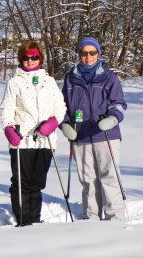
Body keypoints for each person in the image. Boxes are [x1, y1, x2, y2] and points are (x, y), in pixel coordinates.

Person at [0, 41, 66, 226]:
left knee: (37, 183)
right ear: (21, 59)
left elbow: (60, 107)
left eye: (34, 57)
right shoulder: (15, 82)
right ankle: (23, 220)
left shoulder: (49, 81)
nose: (30, 60)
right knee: (21, 182)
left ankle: (34, 221)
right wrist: (9, 129)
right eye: (26, 57)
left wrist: (52, 123)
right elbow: (6, 108)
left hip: (45, 140)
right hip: (22, 139)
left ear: (40, 58)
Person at [61, 37, 127, 221]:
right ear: (79, 54)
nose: (88, 57)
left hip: (105, 135)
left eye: (92, 52)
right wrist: (65, 124)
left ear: (98, 54)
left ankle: (115, 217)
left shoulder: (108, 76)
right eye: (84, 53)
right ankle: (91, 217)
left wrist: (113, 118)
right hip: (80, 136)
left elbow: (119, 103)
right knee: (87, 180)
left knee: (109, 177)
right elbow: (61, 107)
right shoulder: (71, 78)